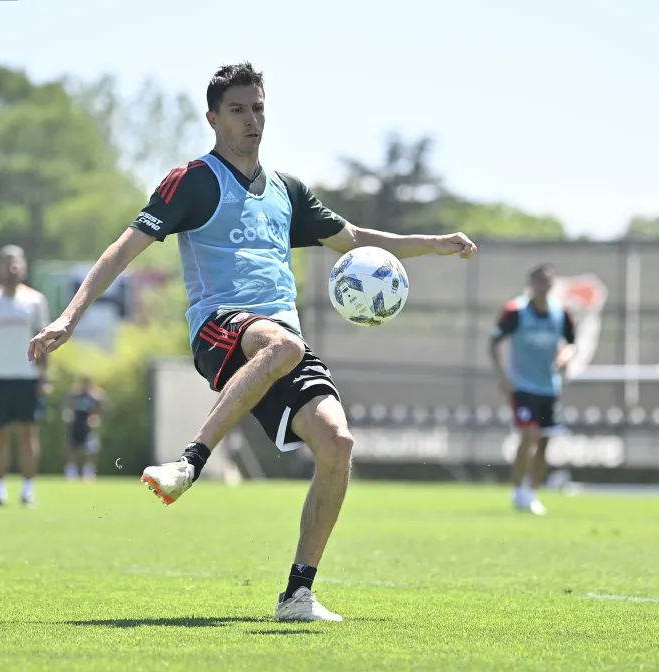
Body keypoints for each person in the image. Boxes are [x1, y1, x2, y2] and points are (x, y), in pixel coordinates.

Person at [28, 62, 477, 622]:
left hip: (274, 339)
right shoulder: (191, 181)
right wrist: (68, 318)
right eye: (238, 110)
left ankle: (298, 594)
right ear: (213, 117)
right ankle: (190, 464)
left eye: (258, 108)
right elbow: (123, 248)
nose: (251, 120)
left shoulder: (288, 191)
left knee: (338, 445)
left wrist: (433, 243)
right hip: (220, 328)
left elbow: (355, 240)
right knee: (283, 347)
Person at [489, 263, 577, 516]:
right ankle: (518, 490)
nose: (542, 287)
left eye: (546, 282)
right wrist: (502, 376)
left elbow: (572, 343)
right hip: (523, 386)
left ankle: (533, 492)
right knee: (528, 435)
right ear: (531, 284)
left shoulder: (561, 313)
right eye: (538, 281)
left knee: (544, 441)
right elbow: (493, 344)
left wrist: (565, 356)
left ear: (552, 284)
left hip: (549, 387)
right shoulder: (515, 311)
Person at [0, 246, 51, 508]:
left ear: (24, 266)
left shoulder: (35, 300)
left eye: (16, 262)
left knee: (28, 435)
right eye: (7, 263)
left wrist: (44, 376)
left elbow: (45, 342)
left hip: (27, 378)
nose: (12, 267)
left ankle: (28, 492)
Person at [62, 377, 107, 482]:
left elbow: (98, 409)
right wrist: (68, 415)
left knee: (90, 450)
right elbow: (68, 406)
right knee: (72, 448)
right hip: (76, 424)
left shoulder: (94, 397)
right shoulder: (75, 396)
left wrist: (95, 419)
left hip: (88, 427)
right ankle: (71, 471)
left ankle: (88, 471)